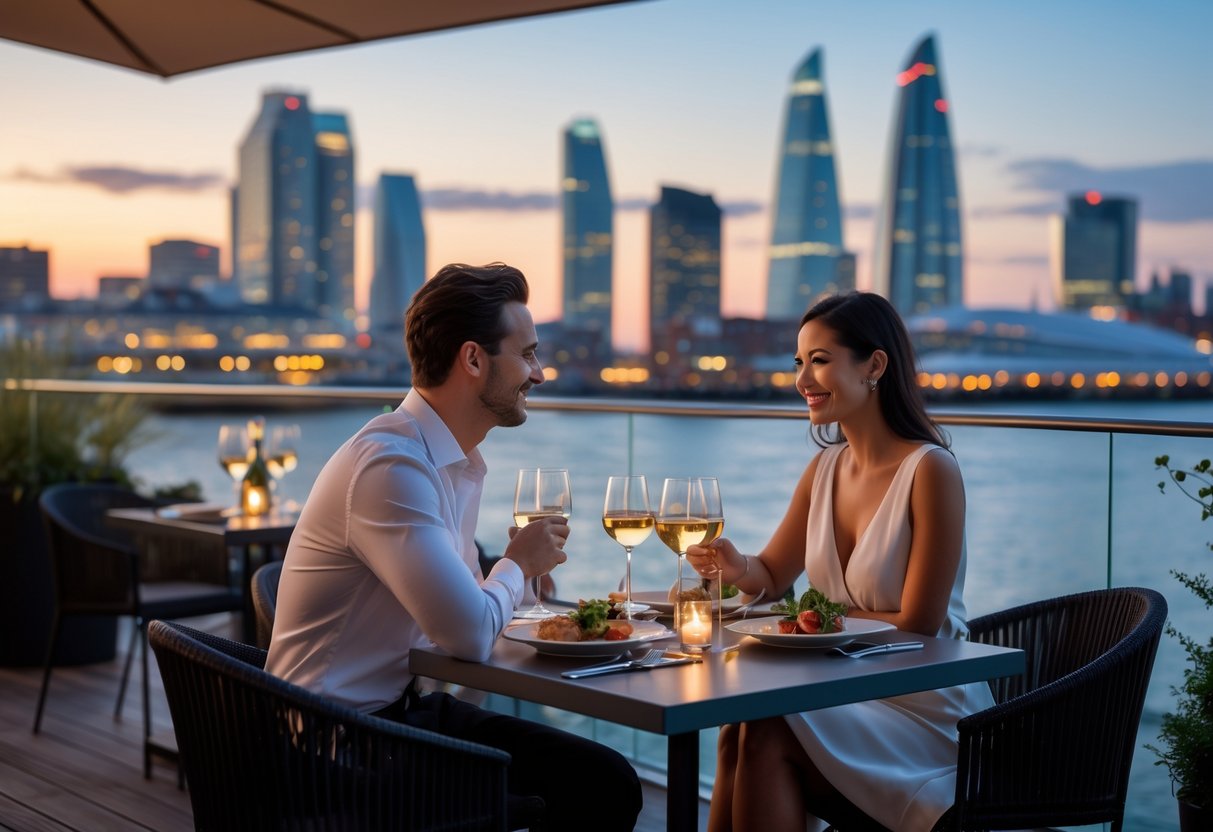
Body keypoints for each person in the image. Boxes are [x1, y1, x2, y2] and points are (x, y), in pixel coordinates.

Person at [266, 262, 642, 831]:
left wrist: (514, 579)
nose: (539, 373)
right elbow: (468, 634)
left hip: (394, 715)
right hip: (335, 748)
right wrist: (516, 565)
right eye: (528, 354)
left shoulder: (447, 463)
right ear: (473, 359)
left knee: (603, 777)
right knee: (596, 787)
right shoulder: (391, 467)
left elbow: (467, 608)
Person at [686, 291, 994, 832]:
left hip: (923, 704)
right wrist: (736, 568)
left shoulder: (931, 470)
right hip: (843, 686)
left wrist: (809, 627)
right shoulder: (823, 469)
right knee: (741, 722)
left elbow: (920, 623)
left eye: (820, 361)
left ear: (874, 365)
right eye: (799, 363)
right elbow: (774, 574)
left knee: (762, 724)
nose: (803, 379)